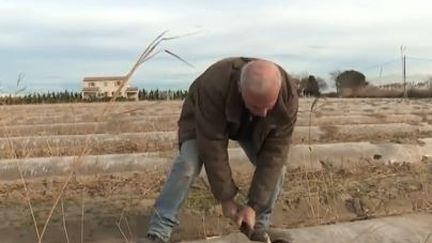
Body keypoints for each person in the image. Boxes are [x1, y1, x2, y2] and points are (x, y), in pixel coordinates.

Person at [137, 57, 298, 243]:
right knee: (187, 165)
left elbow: (275, 155)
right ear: (240, 88)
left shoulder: (287, 97)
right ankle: (159, 231)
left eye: (268, 106)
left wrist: (253, 205)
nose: (263, 113)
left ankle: (257, 226)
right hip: (203, 117)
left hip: (253, 127)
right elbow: (213, 146)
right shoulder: (214, 85)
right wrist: (226, 198)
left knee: (278, 169)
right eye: (256, 106)